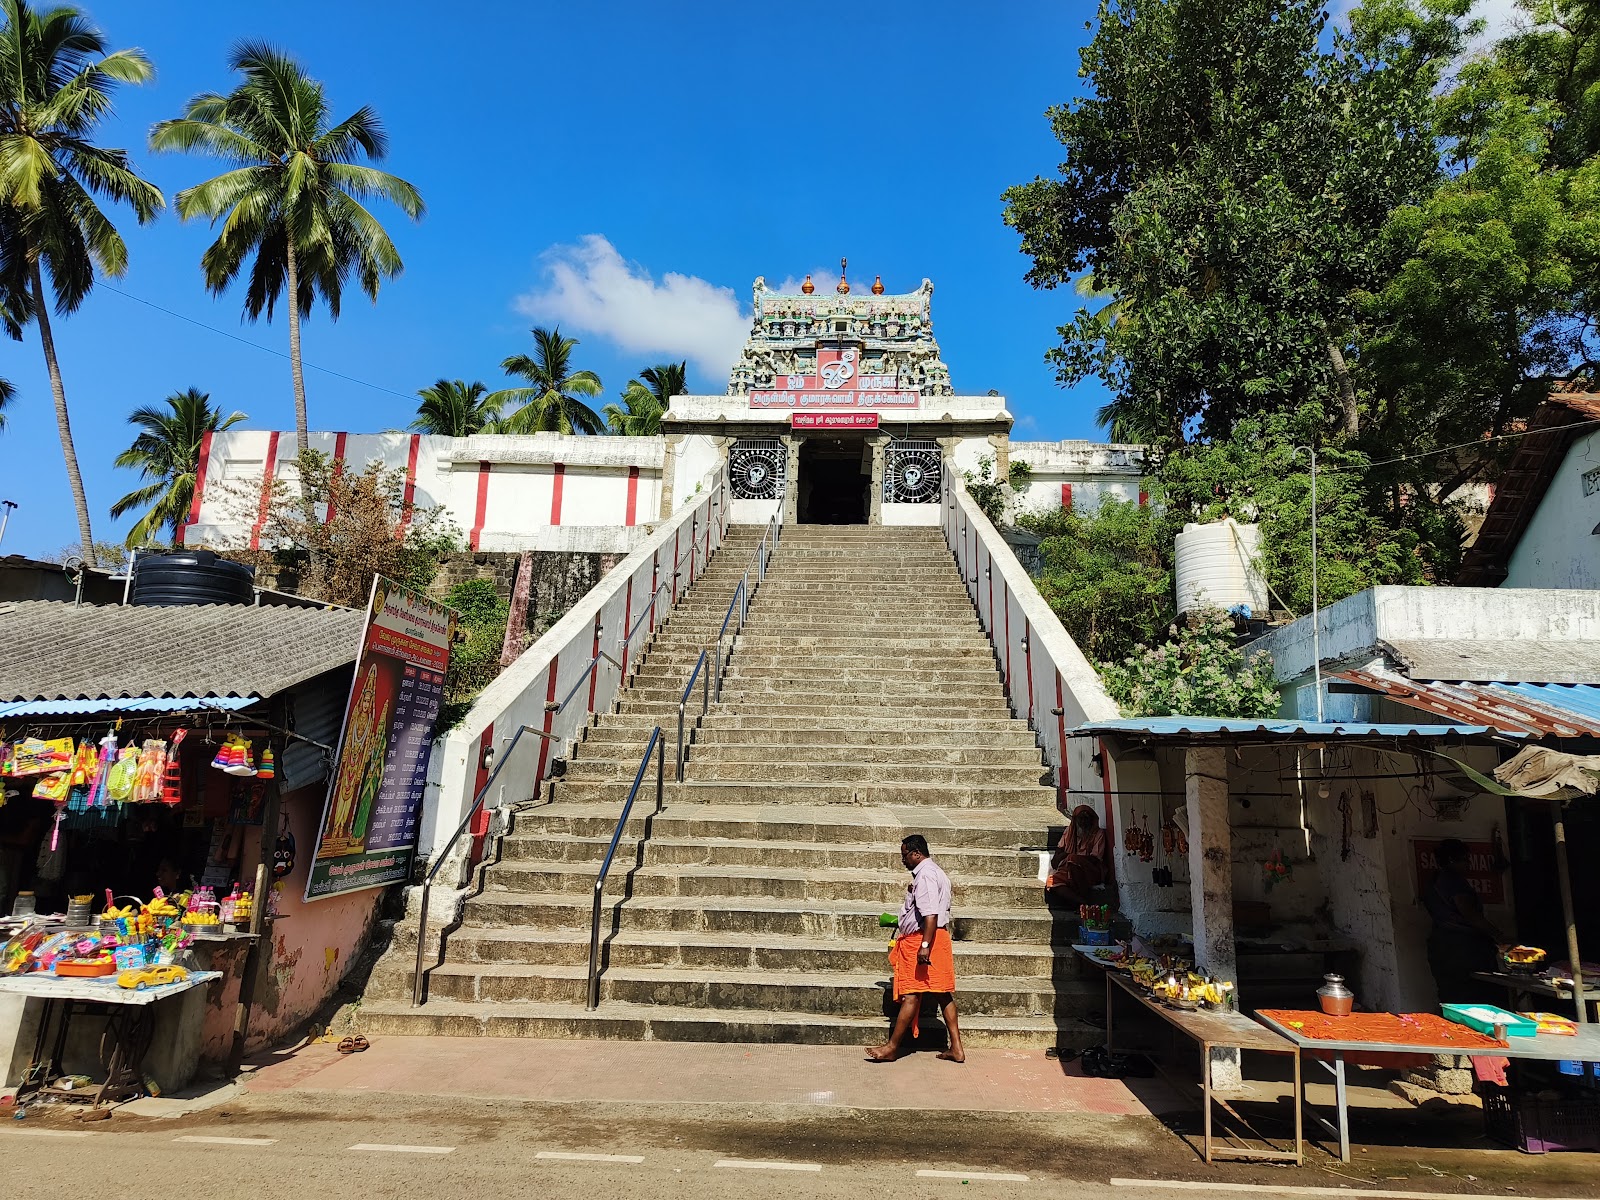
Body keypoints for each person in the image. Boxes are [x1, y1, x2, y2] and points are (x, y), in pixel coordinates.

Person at [866, 834, 965, 1064]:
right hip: (936, 939)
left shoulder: (926, 875)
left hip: (924, 940)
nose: (903, 860)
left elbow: (930, 915)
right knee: (942, 994)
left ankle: (892, 1047)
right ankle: (957, 1048)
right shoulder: (937, 872)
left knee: (911, 994)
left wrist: (924, 946)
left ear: (916, 853)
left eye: (905, 855)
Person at [1424, 838, 1504, 1004]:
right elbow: (1470, 914)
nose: (1468, 863)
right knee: (1476, 997)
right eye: (1465, 859)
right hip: (1461, 950)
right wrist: (1498, 936)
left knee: (1453, 998)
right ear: (1453, 860)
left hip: (1443, 947)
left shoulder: (1435, 881)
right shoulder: (1452, 880)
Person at [1046, 805, 1111, 905]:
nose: (1083, 822)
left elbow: (1095, 859)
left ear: (1091, 820)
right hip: (1068, 868)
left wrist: (1073, 859)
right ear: (1075, 820)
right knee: (1052, 881)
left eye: (1086, 819)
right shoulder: (1069, 831)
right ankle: (1082, 903)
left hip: (1090, 871)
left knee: (1073, 859)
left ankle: (1082, 901)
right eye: (1081, 819)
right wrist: (1065, 857)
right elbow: (1058, 853)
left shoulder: (1098, 833)